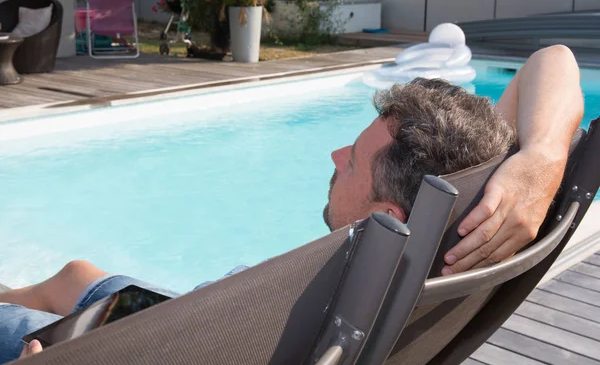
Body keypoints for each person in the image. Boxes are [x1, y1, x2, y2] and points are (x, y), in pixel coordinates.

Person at [2, 45, 584, 363]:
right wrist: (543, 156)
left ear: (386, 217)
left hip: (181, 340)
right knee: (75, 274)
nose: (334, 157)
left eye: (352, 162)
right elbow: (552, 59)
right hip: (200, 313)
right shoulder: (465, 214)